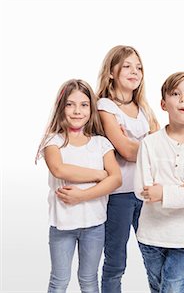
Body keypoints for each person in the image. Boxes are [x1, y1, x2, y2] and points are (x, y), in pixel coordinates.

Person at [134, 71, 184, 293]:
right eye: (175, 93)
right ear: (163, 103)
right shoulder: (149, 144)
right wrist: (183, 189)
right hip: (151, 237)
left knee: (172, 290)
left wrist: (164, 193)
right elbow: (143, 192)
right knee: (158, 288)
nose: (183, 99)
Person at [36, 79, 122, 292]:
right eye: (70, 104)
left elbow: (116, 179)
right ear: (61, 107)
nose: (77, 111)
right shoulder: (53, 141)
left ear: (91, 109)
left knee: (89, 280)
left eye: (84, 105)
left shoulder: (101, 143)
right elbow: (60, 169)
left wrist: (81, 196)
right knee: (59, 280)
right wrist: (100, 174)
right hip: (62, 226)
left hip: (94, 225)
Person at [96, 45, 160, 292]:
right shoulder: (105, 106)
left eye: (139, 67)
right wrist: (144, 143)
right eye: (127, 66)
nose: (135, 72)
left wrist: (136, 144)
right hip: (120, 194)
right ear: (111, 72)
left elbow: (162, 149)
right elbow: (127, 152)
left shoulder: (143, 107)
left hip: (146, 191)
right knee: (115, 262)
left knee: (154, 256)